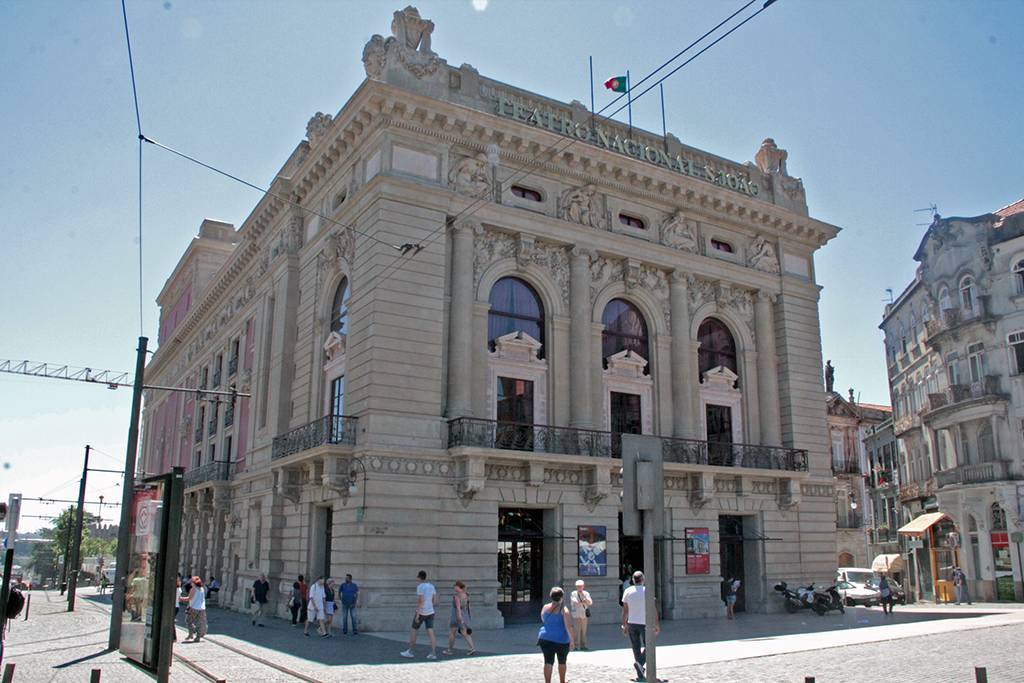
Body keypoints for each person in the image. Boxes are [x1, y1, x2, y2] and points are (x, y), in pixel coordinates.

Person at [622, 570, 659, 682]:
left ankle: (640, 672)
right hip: (645, 623)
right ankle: (640, 664)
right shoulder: (647, 590)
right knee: (649, 646)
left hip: (632, 623)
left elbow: (625, 611)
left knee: (636, 648)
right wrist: (656, 623)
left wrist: (624, 624)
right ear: (643, 579)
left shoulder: (628, 591)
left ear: (633, 580)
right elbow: (653, 609)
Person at [537, 586, 574, 683]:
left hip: (545, 638)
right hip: (561, 639)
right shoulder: (564, 610)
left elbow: (543, 619)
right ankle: (562, 681)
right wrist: (572, 640)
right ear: (562, 597)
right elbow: (568, 626)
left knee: (548, 661)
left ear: (551, 596)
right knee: (562, 661)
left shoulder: (545, 607)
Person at [400, 570, 439, 659]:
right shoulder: (431, 586)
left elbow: (420, 601)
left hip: (421, 612)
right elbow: (434, 601)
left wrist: (418, 614)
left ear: (419, 577)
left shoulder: (420, 587)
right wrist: (429, 607)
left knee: (414, 631)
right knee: (431, 633)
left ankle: (410, 651)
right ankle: (433, 653)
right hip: (431, 612)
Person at [443, 580, 476, 656]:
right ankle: (472, 648)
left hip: (456, 616)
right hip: (464, 616)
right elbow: (469, 607)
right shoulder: (466, 595)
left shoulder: (457, 596)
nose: (454, 587)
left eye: (455, 586)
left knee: (452, 633)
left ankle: (449, 650)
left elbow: (458, 607)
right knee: (465, 633)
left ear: (458, 587)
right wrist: (466, 617)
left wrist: (459, 617)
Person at [182, 576, 207, 642]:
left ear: (193, 583)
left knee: (188, 621)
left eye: (191, 582)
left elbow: (189, 598)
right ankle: (197, 637)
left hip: (194, 608)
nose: (190, 583)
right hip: (202, 608)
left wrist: (180, 598)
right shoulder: (202, 589)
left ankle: (191, 633)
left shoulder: (193, 589)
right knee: (199, 622)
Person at [569, 579, 593, 651]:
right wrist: (584, 601)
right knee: (576, 630)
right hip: (576, 614)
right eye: (578, 586)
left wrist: (584, 599)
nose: (579, 588)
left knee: (584, 630)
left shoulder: (586, 593)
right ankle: (575, 646)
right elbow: (576, 602)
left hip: (584, 615)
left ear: (583, 586)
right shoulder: (573, 593)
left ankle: (583, 645)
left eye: (581, 586)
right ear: (576, 586)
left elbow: (590, 602)